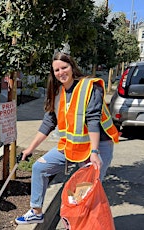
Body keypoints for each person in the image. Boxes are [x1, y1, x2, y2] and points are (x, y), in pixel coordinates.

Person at [15, 52, 119, 225]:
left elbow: (93, 120)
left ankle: (83, 226)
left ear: (72, 67)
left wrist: (94, 152)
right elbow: (48, 123)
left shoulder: (89, 87)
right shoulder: (57, 93)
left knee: (84, 194)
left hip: (98, 145)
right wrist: (30, 149)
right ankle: (36, 212)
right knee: (39, 168)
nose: (61, 72)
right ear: (53, 73)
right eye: (57, 70)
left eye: (64, 67)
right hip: (72, 145)